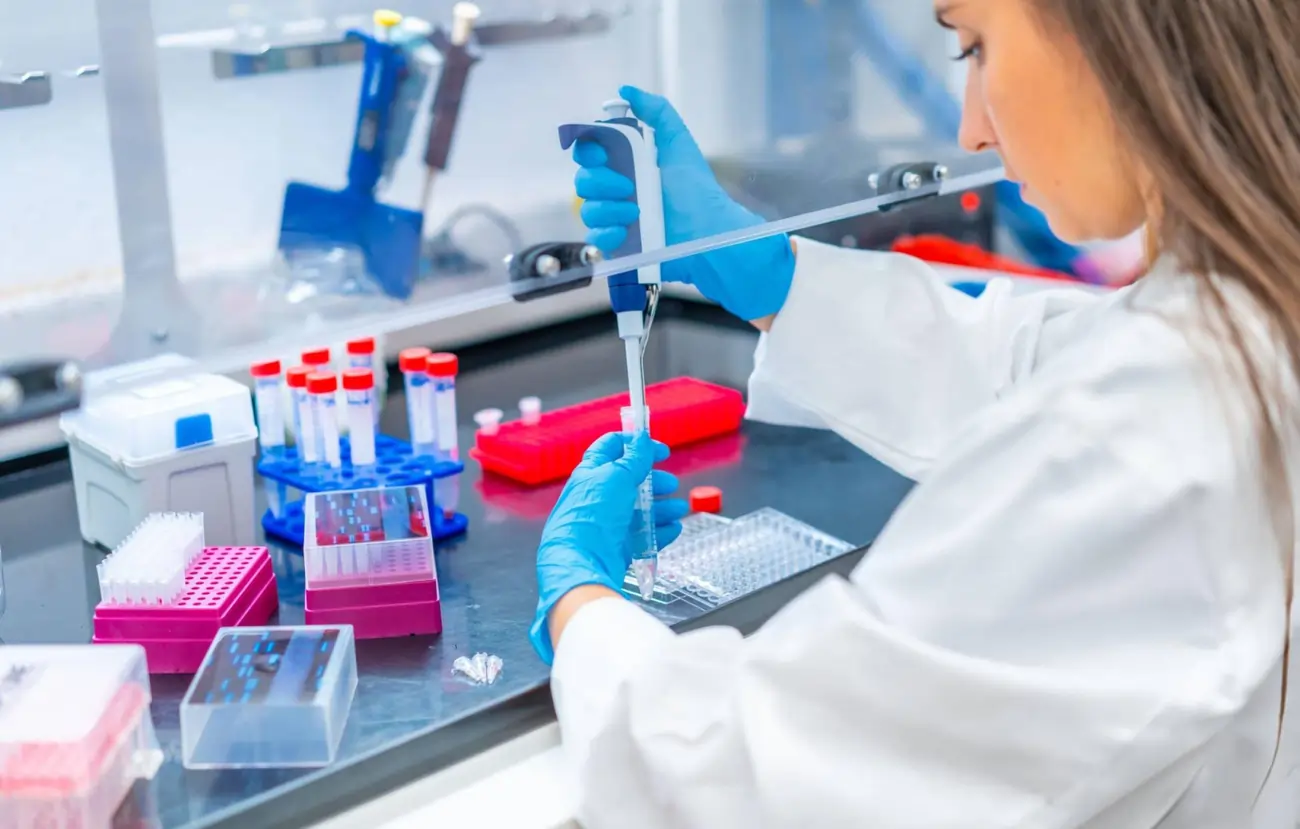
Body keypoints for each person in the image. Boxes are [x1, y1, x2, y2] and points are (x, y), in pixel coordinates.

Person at [530, 0, 1300, 826]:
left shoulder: (1159, 422)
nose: (971, 128)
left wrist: (584, 610)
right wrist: (778, 279)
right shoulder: (1251, 308)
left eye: (974, 46)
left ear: (1119, 34)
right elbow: (1045, 365)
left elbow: (741, 786)